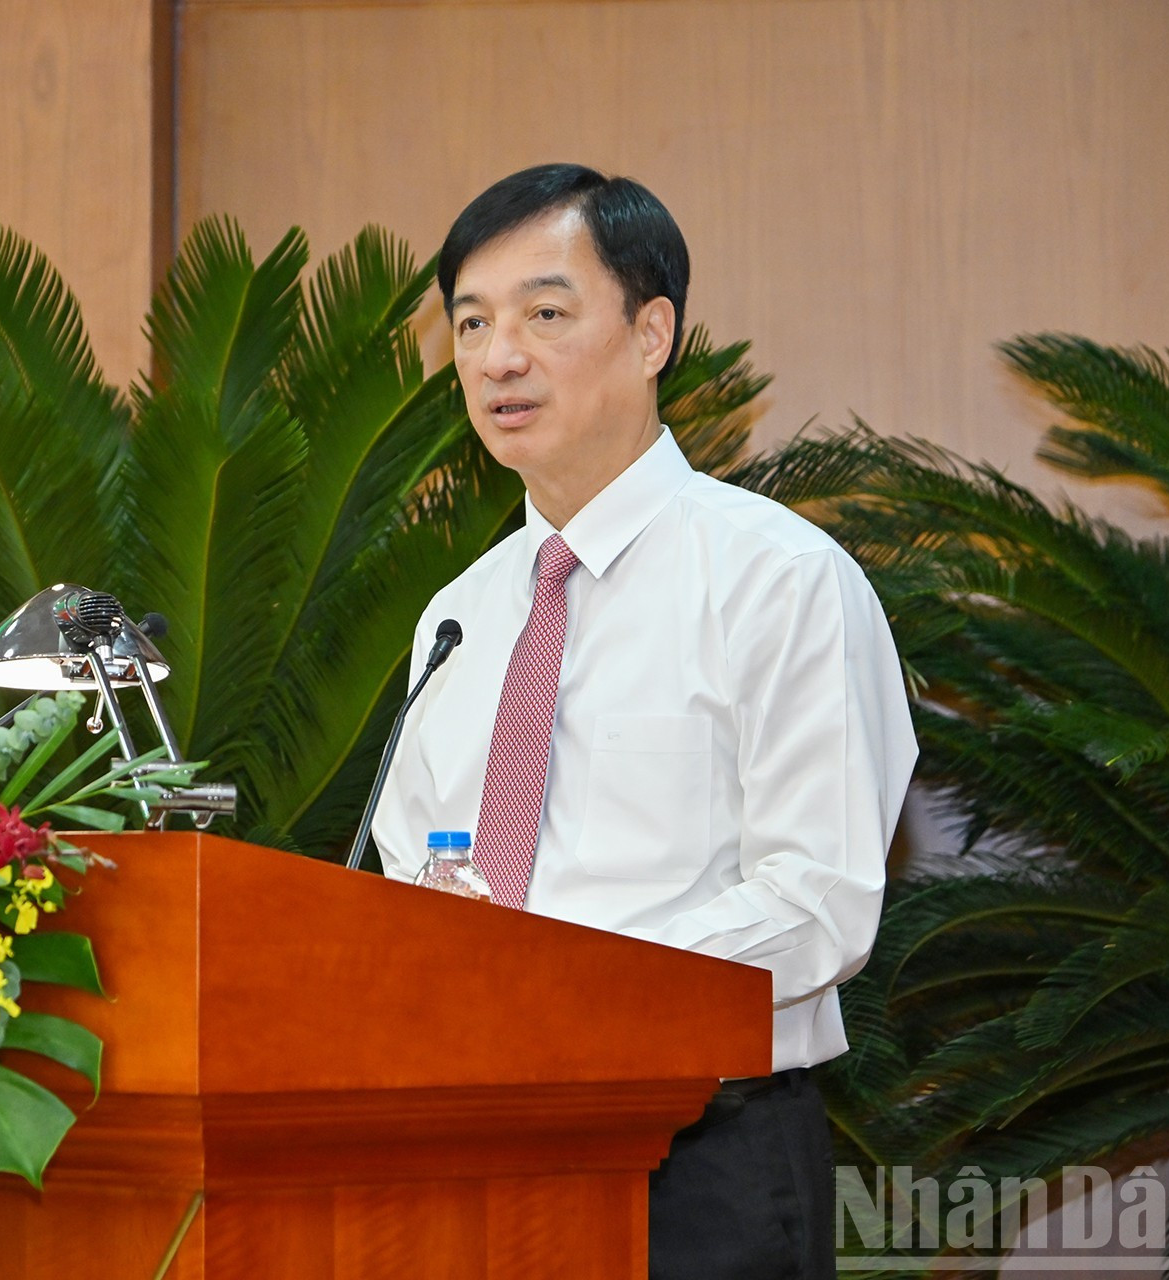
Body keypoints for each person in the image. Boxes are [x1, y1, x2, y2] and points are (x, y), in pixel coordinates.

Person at [370, 163, 918, 1279]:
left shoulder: (782, 580)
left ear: (653, 329)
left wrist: (569, 992)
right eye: (470, 323)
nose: (496, 355)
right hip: (474, 1151)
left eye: (545, 313)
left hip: (699, 1157)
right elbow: (411, 872)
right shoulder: (462, 614)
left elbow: (818, 902)